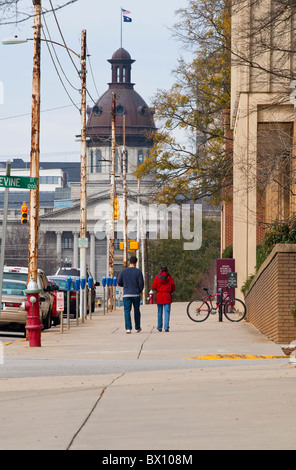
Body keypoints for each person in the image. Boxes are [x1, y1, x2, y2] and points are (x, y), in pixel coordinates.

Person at [117, 256, 144, 334]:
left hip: (126, 294)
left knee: (127, 311)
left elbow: (119, 282)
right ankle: (137, 327)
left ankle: (128, 328)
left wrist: (125, 286)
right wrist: (139, 291)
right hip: (135, 294)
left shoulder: (123, 271)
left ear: (129, 262)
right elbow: (141, 283)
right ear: (136, 262)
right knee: (136, 311)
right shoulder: (138, 271)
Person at [152, 265, 175, 332]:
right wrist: (170, 291)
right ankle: (166, 327)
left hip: (159, 295)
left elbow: (153, 286)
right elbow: (173, 286)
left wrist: (158, 290)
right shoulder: (169, 277)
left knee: (159, 312)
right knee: (167, 312)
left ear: (161, 269)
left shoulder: (157, 277)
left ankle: (159, 327)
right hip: (167, 295)